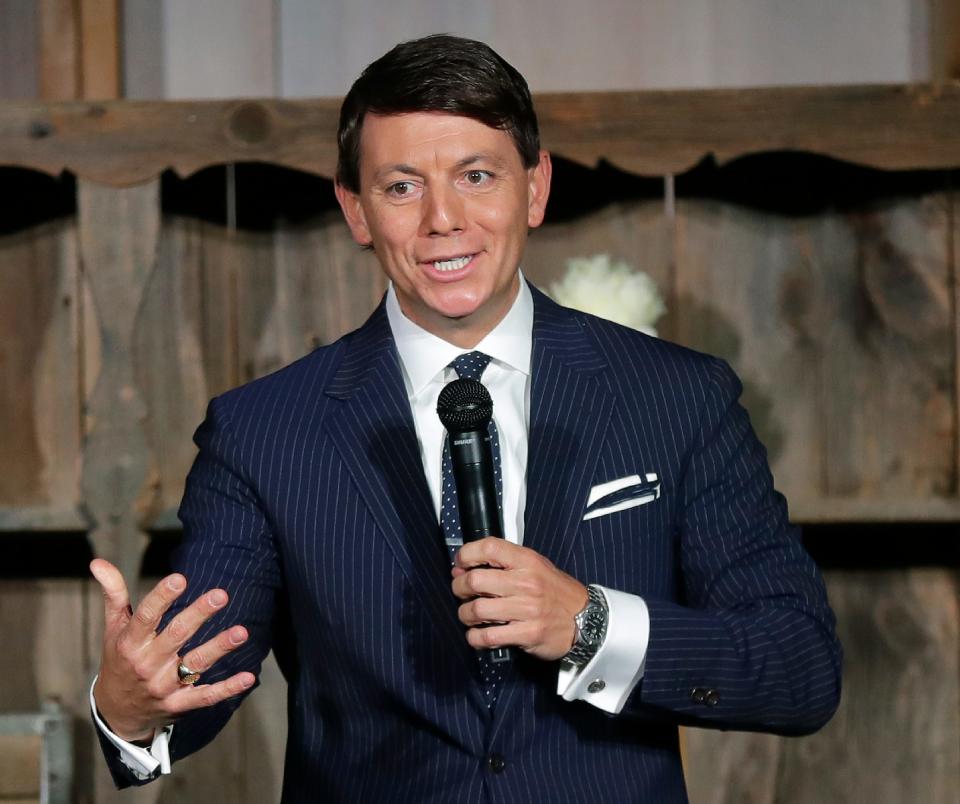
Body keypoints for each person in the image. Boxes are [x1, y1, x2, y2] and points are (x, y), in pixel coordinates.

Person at [89, 34, 842, 803]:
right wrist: (128, 704)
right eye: (402, 187)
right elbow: (190, 679)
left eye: (477, 176)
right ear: (356, 209)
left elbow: (799, 668)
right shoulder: (262, 432)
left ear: (535, 188)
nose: (443, 219)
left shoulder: (678, 397)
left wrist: (588, 623)